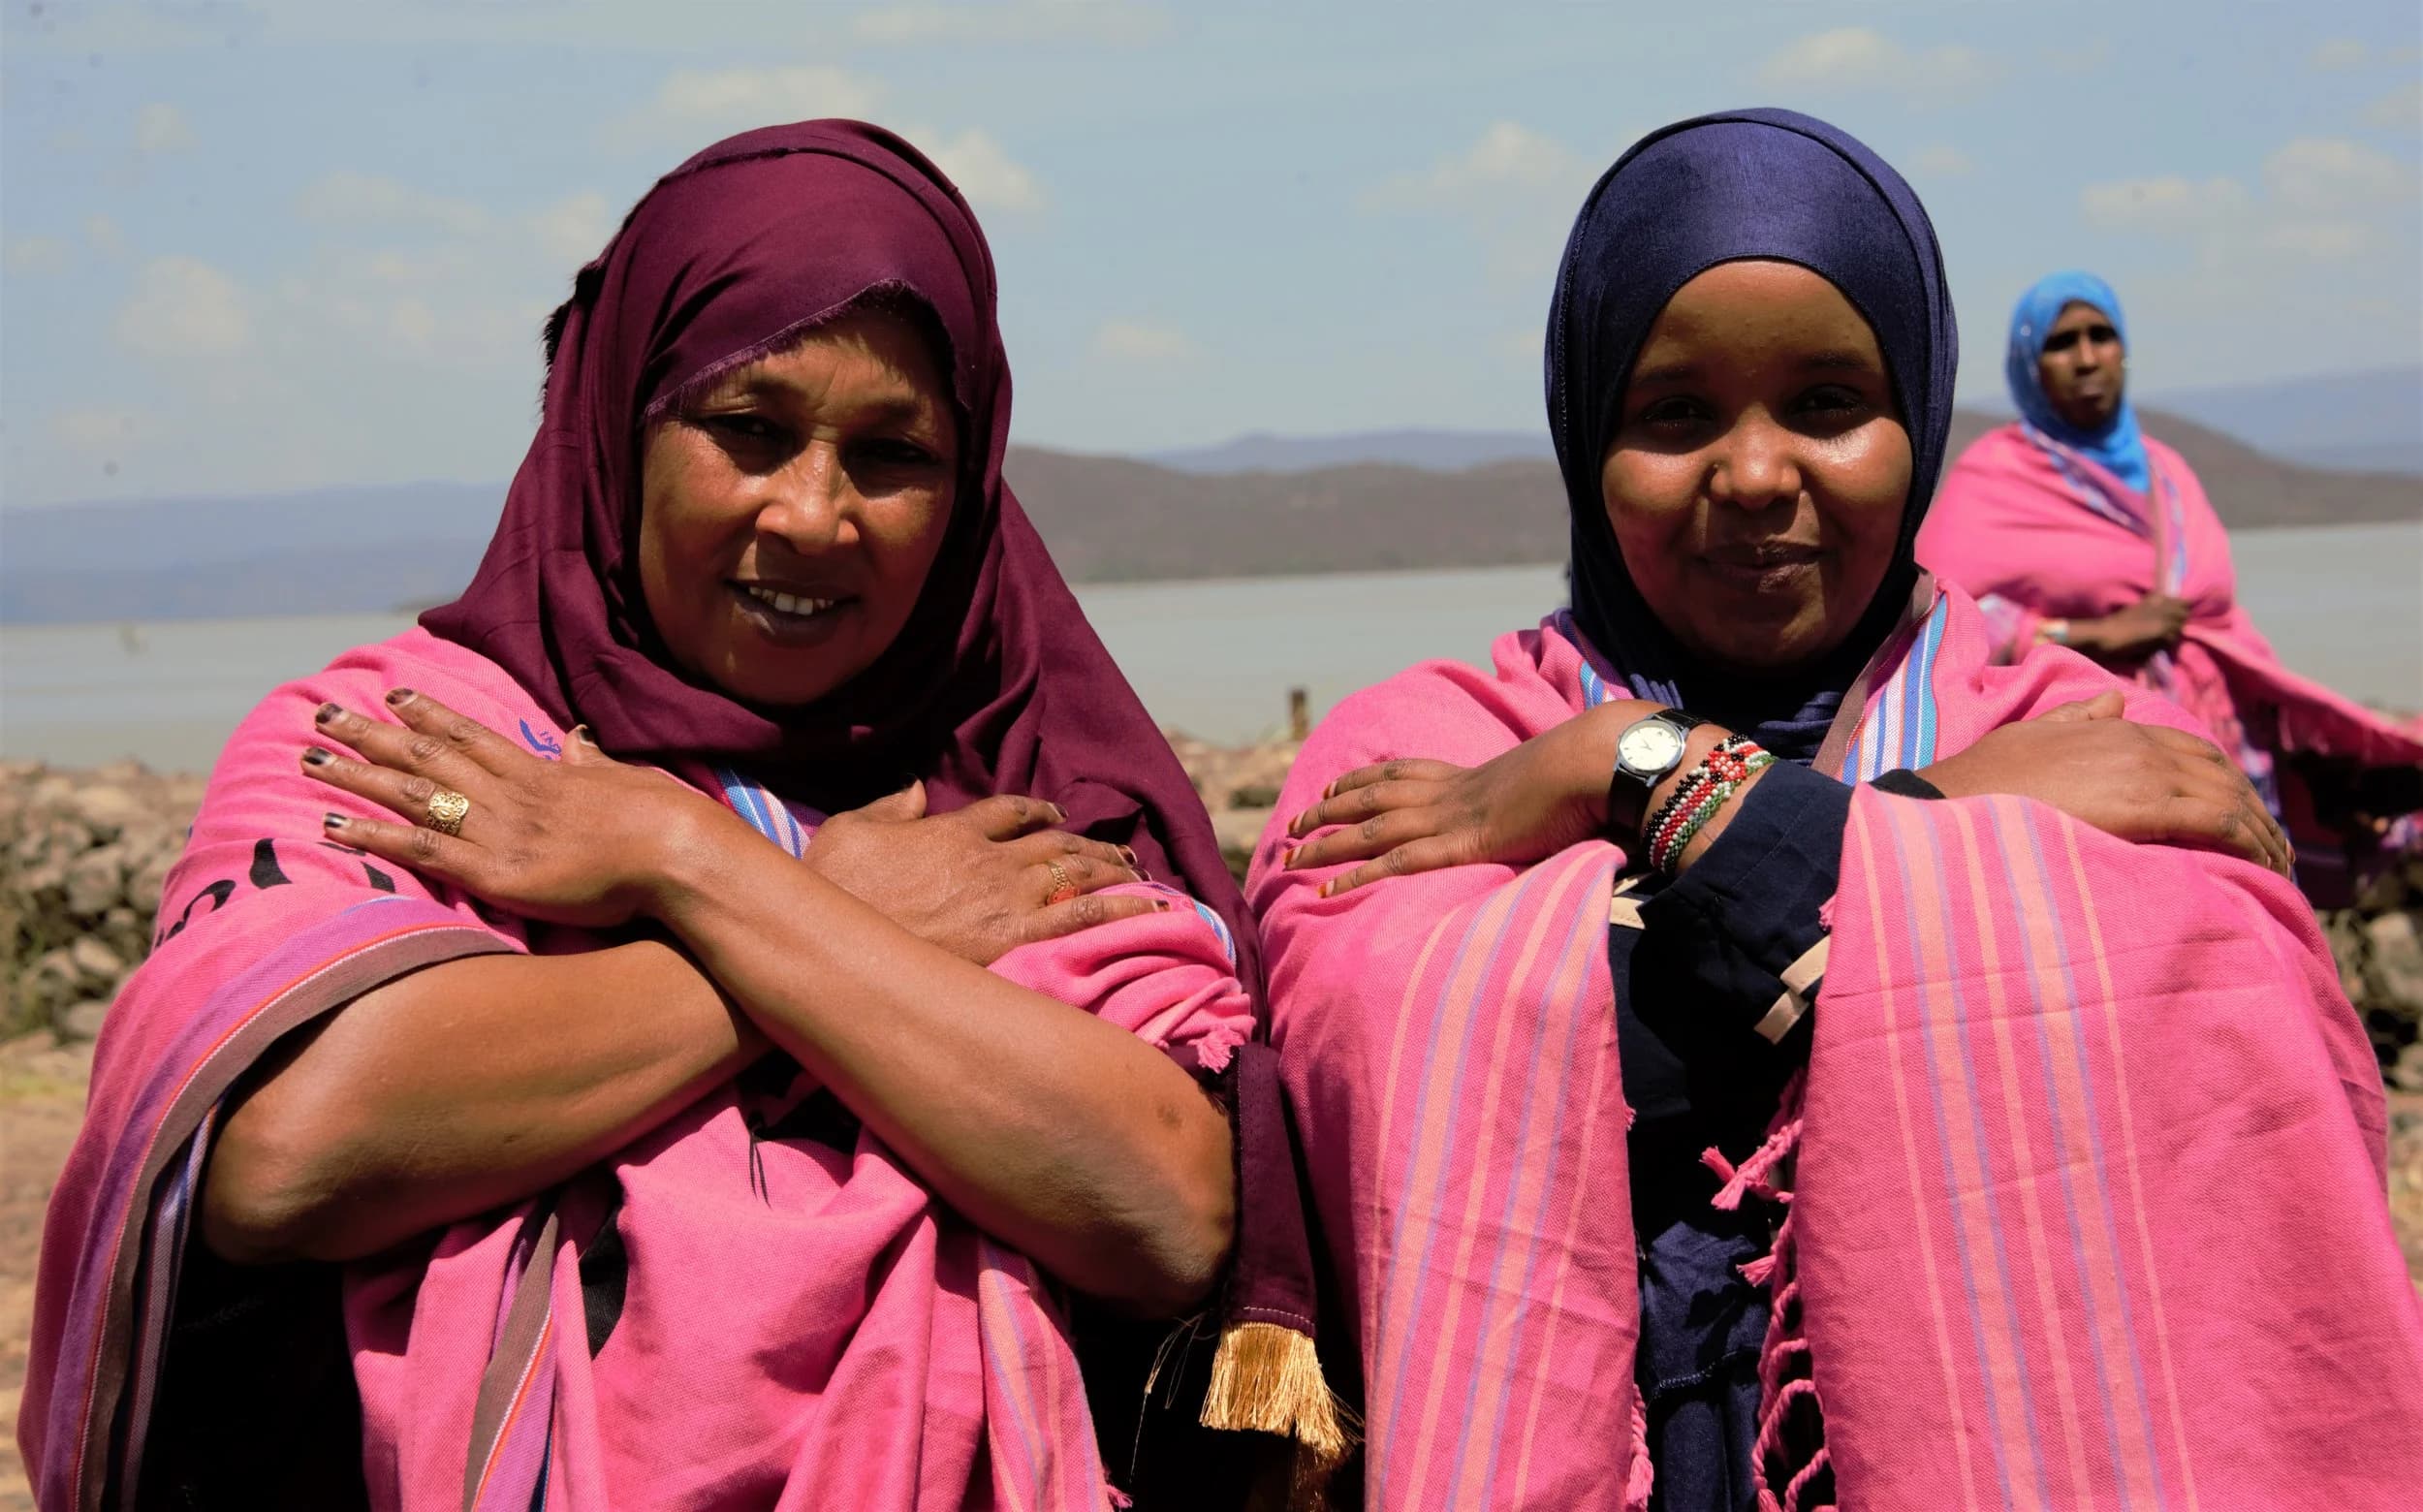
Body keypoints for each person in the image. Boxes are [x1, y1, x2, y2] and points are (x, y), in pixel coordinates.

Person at [20, 121, 1339, 1512]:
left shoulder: (1027, 787)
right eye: (749, 433)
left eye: (894, 455)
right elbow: (294, 1151)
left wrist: (688, 859)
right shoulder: (406, 744)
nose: (814, 517)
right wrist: (846, 915)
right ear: (621, 422)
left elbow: (1165, 1203)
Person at [1250, 110, 2423, 1510]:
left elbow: (2240, 1086)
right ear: (1585, 432)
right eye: (1675, 413)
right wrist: (1923, 821)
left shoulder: (2101, 732)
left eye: (1825, 403)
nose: (1754, 477)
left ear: (1918, 414)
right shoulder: (1434, 749)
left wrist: (1639, 788)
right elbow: (1365, 1069)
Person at [1918, 271, 2423, 902]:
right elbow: (1941, 615)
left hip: (2223, 744)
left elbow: (2224, 623)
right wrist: (2092, 635)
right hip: (2092, 755)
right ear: (2028, 365)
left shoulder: (2168, 474)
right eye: (2061, 342)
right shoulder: (1995, 476)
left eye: (2101, 335)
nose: (2086, 357)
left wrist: (2307, 738)